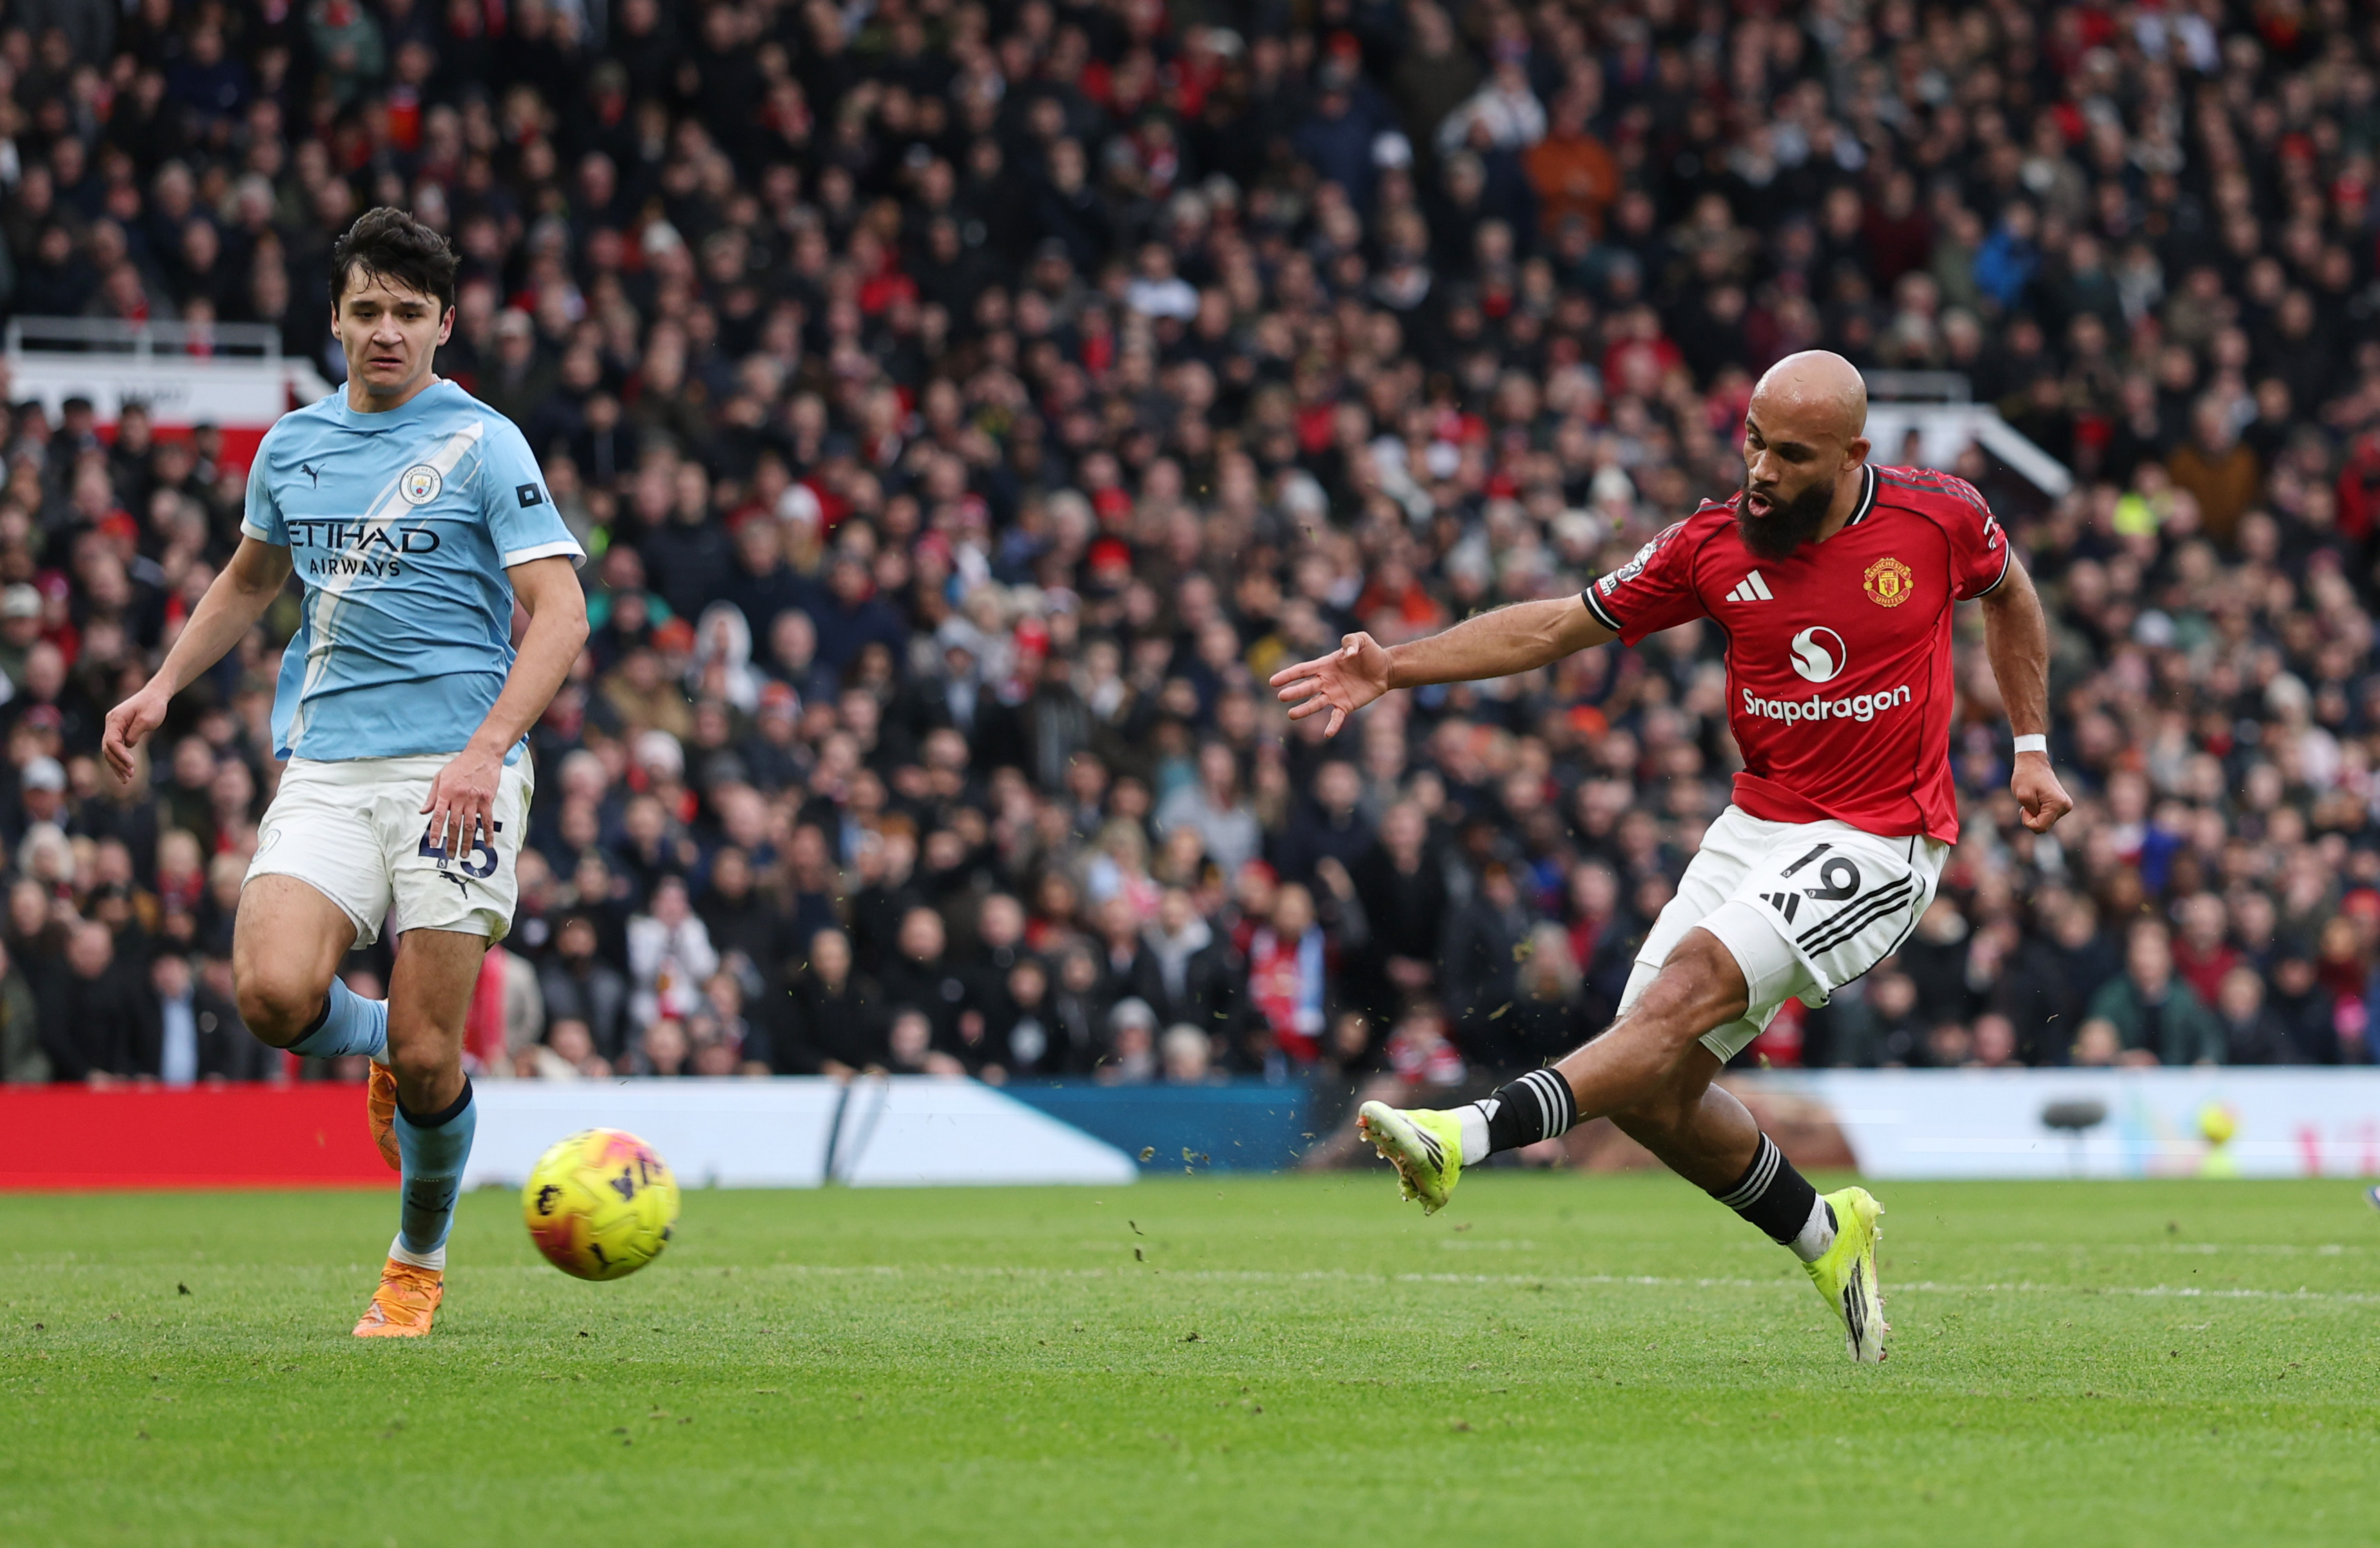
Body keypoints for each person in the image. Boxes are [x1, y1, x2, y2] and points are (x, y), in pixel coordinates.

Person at [1271, 351, 2073, 1363]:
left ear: (1852, 454)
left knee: (1684, 992)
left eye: (1792, 455)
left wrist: (2031, 745)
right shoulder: (1710, 544)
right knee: (1650, 1087)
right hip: (1756, 825)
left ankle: (1461, 1135)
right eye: (1754, 443)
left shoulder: (1937, 516)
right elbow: (1557, 627)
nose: (1762, 471)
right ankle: (1827, 1234)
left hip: (1880, 837)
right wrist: (1395, 667)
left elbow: (2011, 594)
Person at [99, 208, 588, 1337]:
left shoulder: (486, 443)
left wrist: (484, 753)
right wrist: (161, 686)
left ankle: (416, 1261)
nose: (386, 331)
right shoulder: (291, 445)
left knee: (432, 1053)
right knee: (272, 994)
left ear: (444, 325)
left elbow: (562, 613)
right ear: (335, 318)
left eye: (409, 312)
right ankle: (375, 1045)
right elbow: (250, 578)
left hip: (457, 770)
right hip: (325, 763)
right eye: (367, 309)